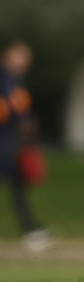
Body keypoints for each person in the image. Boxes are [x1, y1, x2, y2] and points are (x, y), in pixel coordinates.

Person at [0, 42, 52, 252]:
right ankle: (31, 231)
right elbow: (16, 110)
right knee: (17, 184)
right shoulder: (6, 79)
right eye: (18, 56)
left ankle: (31, 230)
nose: (22, 62)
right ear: (8, 56)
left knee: (18, 185)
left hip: (8, 141)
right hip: (4, 142)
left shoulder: (13, 80)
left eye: (25, 59)